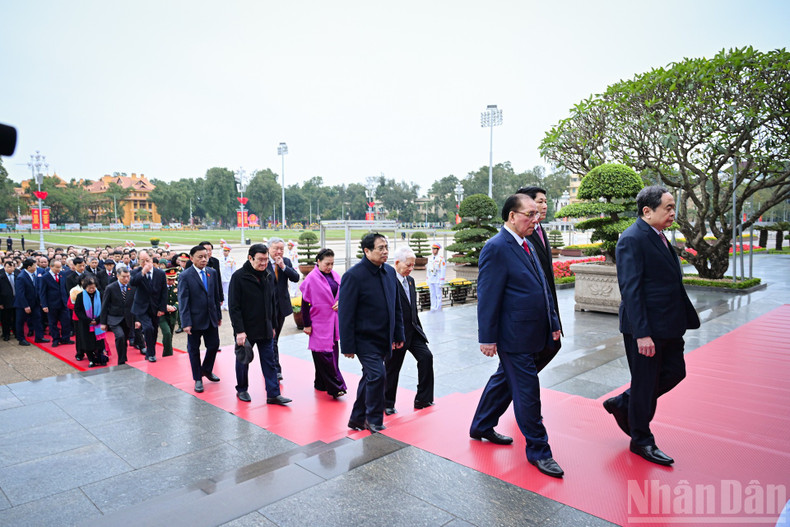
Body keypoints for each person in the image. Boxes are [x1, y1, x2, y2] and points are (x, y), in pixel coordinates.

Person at [603, 185, 700, 466]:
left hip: (670, 324)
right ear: (647, 211)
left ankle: (624, 403)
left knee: (674, 372)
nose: (673, 213)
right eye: (667, 208)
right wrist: (642, 334)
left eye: (673, 207)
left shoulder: (658, 236)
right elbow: (631, 290)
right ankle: (641, 440)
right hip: (646, 329)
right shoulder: (632, 239)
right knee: (645, 385)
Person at [469, 193, 564, 478]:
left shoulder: (527, 244)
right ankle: (539, 451)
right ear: (512, 216)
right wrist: (487, 337)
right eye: (530, 214)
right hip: (513, 336)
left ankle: (481, 425)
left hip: (536, 331)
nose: (536, 219)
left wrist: (554, 321)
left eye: (537, 214)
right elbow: (487, 295)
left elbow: (543, 287)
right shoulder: (496, 247)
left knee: (504, 381)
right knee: (527, 392)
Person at [339, 233, 404, 433]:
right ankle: (373, 419)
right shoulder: (353, 276)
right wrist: (347, 346)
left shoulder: (390, 272)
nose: (385, 252)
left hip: (384, 337)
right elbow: (345, 313)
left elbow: (396, 306)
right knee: (378, 375)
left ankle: (356, 418)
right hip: (364, 339)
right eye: (380, 248)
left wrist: (399, 334)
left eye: (386, 247)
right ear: (367, 251)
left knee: (370, 376)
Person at [228, 243, 291, 405]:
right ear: (250, 258)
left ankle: (273, 394)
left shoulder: (269, 275)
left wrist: (274, 325)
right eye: (260, 260)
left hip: (266, 327)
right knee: (243, 360)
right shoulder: (239, 277)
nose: (264, 263)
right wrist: (239, 331)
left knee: (269, 361)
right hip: (246, 330)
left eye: (266, 259)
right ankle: (242, 389)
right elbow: (234, 307)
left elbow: (272, 302)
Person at [384, 246, 435, 415]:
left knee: (426, 357)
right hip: (397, 334)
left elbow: (412, 308)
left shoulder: (411, 281)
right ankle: (387, 403)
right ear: (397, 263)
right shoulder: (388, 282)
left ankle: (423, 398)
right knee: (393, 368)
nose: (411, 268)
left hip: (413, 331)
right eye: (408, 265)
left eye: (413, 265)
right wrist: (391, 337)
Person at [518, 186, 562, 371]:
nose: (545, 206)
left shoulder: (539, 229)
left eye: (545, 201)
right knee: (519, 367)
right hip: (530, 312)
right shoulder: (520, 235)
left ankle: (520, 383)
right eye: (540, 201)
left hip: (547, 305)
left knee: (552, 347)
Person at [299, 248, 347, 399]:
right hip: (318, 322)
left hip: (333, 322)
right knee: (325, 356)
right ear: (318, 262)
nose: (330, 267)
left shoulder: (336, 276)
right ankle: (336, 387)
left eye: (332, 264)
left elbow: (342, 295)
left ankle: (320, 382)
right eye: (327, 263)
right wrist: (306, 325)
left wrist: (341, 302)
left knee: (332, 353)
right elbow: (304, 304)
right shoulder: (311, 279)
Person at [177, 245, 222, 393]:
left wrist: (218, 316)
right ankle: (198, 378)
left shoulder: (212, 273)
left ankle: (207, 370)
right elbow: (183, 301)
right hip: (194, 320)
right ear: (192, 258)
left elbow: (215, 296)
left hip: (211, 318)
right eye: (200, 257)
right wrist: (186, 323)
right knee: (194, 350)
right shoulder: (185, 275)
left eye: (206, 256)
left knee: (214, 345)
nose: (204, 259)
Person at [268, 237, 300, 380]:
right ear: (269, 248)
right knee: (272, 338)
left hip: (281, 306)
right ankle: (275, 368)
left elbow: (295, 277)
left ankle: (272, 365)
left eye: (281, 248)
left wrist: (283, 267)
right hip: (267, 306)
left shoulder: (285, 261)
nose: (279, 251)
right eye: (276, 248)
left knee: (275, 338)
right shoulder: (263, 260)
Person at [130, 250, 167, 362]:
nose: (145, 263)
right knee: (148, 327)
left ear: (152, 260)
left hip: (155, 307)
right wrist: (143, 272)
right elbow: (133, 282)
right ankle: (150, 354)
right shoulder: (136, 272)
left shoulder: (160, 273)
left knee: (154, 330)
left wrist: (162, 308)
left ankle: (151, 351)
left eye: (147, 260)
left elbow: (164, 292)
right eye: (142, 261)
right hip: (141, 307)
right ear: (138, 261)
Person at [100, 266, 136, 365]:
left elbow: (135, 304)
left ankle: (123, 357)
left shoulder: (132, 287)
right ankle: (121, 361)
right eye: (123, 277)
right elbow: (104, 305)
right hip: (114, 318)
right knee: (120, 336)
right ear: (117, 276)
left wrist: (137, 320)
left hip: (128, 318)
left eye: (128, 276)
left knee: (124, 339)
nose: (126, 279)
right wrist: (103, 322)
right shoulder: (110, 288)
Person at [73, 275, 108, 367]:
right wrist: (88, 320)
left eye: (93, 287)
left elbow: (104, 308)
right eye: (89, 288)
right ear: (85, 287)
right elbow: (78, 310)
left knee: (99, 342)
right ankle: (91, 360)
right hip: (85, 324)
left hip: (98, 323)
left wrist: (97, 319)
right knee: (87, 343)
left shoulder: (100, 294)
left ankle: (101, 358)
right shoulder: (80, 296)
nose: (92, 289)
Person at [38, 259, 73, 347]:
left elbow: (65, 288)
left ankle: (66, 338)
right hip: (51, 304)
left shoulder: (62, 274)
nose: (59, 269)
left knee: (66, 322)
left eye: (60, 267)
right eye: (57, 267)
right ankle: (56, 339)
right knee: (53, 323)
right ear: (51, 267)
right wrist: (44, 305)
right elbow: (42, 292)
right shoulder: (45, 277)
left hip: (63, 303)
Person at [14, 258, 48, 345]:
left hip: (34, 303)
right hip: (23, 304)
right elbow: (20, 293)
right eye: (34, 265)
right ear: (29, 267)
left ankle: (39, 337)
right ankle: (21, 339)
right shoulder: (21, 277)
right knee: (20, 321)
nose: (36, 267)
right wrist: (25, 306)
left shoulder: (34, 274)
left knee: (38, 320)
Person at [159, 268, 179, 357]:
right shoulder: (160, 286)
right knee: (166, 333)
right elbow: (155, 300)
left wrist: (175, 307)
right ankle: (168, 355)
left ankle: (166, 348)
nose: (171, 281)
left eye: (173, 279)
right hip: (162, 314)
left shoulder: (177, 286)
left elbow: (181, 299)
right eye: (169, 279)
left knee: (169, 335)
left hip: (173, 314)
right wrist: (164, 307)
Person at [0, 260, 19, 341]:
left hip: (16, 300)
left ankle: (16, 332)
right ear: (4, 267)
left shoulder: (17, 275)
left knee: (16, 318)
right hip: (5, 301)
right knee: (5, 319)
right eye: (8, 267)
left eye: (12, 267)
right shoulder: (1, 277)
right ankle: (6, 334)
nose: (11, 269)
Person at [425, 242, 446, 311]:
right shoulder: (430, 258)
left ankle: (438, 308)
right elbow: (428, 270)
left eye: (434, 249)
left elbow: (443, 270)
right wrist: (427, 279)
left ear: (437, 250)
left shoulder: (441, 259)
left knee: (438, 295)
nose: (433, 250)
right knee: (432, 294)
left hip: (437, 279)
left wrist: (441, 281)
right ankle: (433, 307)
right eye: (432, 249)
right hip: (431, 279)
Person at [218, 245, 236, 311]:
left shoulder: (231, 260)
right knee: (221, 292)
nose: (225, 252)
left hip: (228, 278)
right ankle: (222, 304)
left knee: (227, 292)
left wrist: (233, 278)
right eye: (224, 251)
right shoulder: (220, 259)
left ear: (229, 252)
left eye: (226, 251)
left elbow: (233, 270)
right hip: (221, 278)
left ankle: (227, 304)